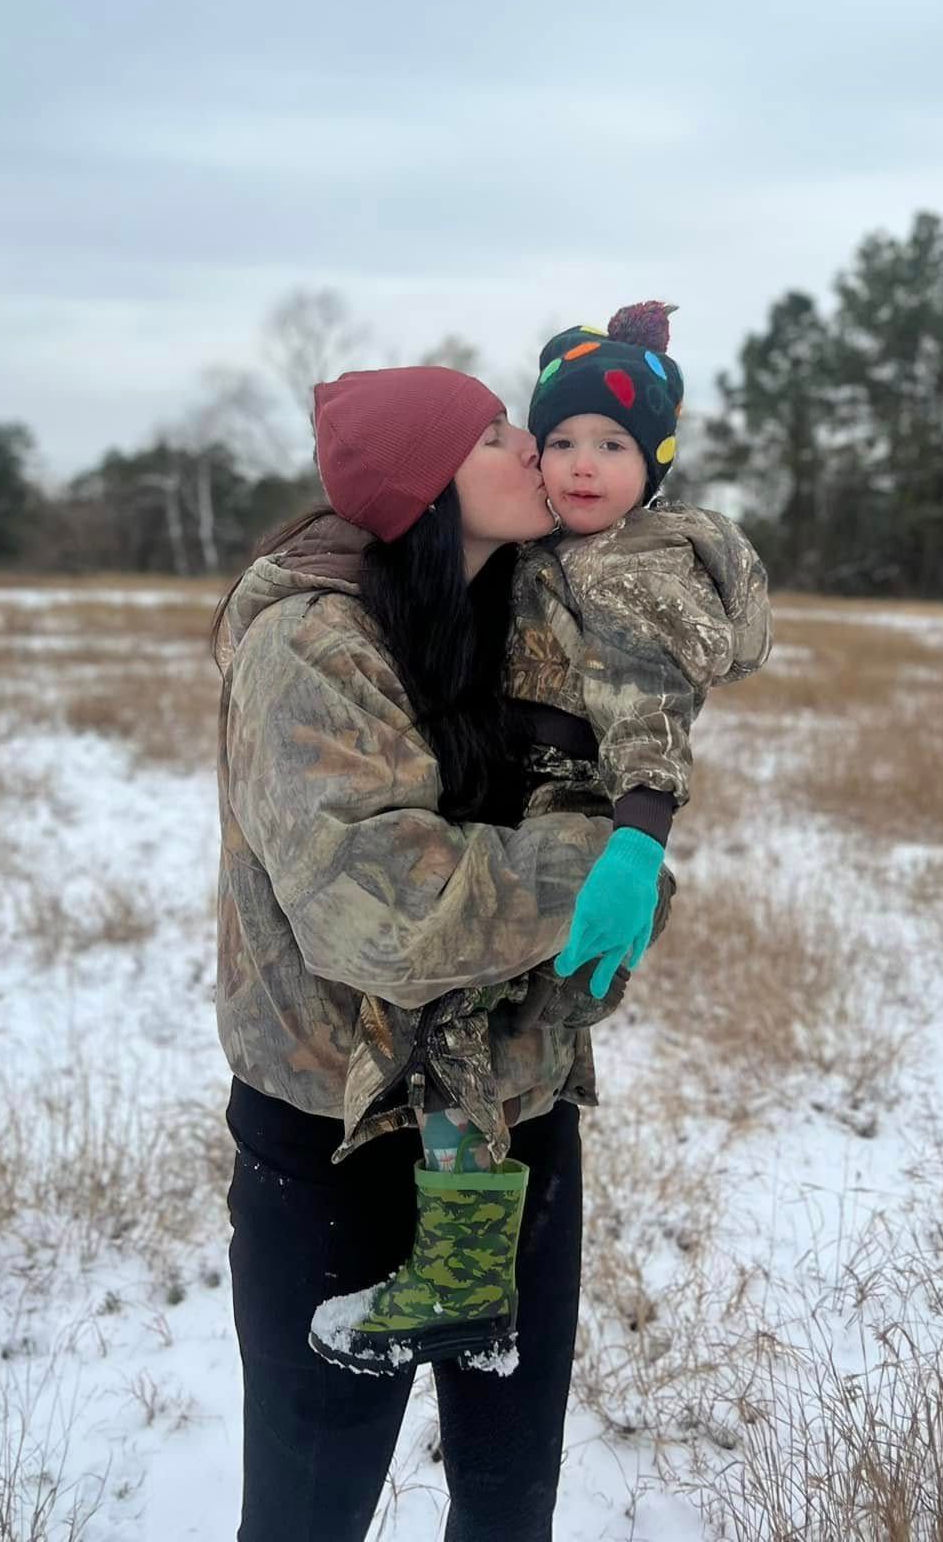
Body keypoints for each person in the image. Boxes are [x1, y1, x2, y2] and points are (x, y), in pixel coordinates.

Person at [313, 303, 772, 1378]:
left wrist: (637, 840)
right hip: (522, 803)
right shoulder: (570, 549)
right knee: (480, 1021)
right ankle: (472, 1276)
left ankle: (466, 1281)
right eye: (558, 439)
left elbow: (651, 713)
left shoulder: (625, 570)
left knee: (454, 1018)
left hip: (572, 812)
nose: (576, 463)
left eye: (612, 446)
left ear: (657, 463)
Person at [212, 364, 622, 1542]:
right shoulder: (309, 646)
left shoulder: (533, 616)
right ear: (427, 488)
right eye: (497, 435)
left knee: (508, 1501)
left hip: (516, 1117)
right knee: (308, 1506)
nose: (534, 447)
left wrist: (624, 870)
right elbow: (386, 911)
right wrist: (596, 873)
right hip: (339, 1132)